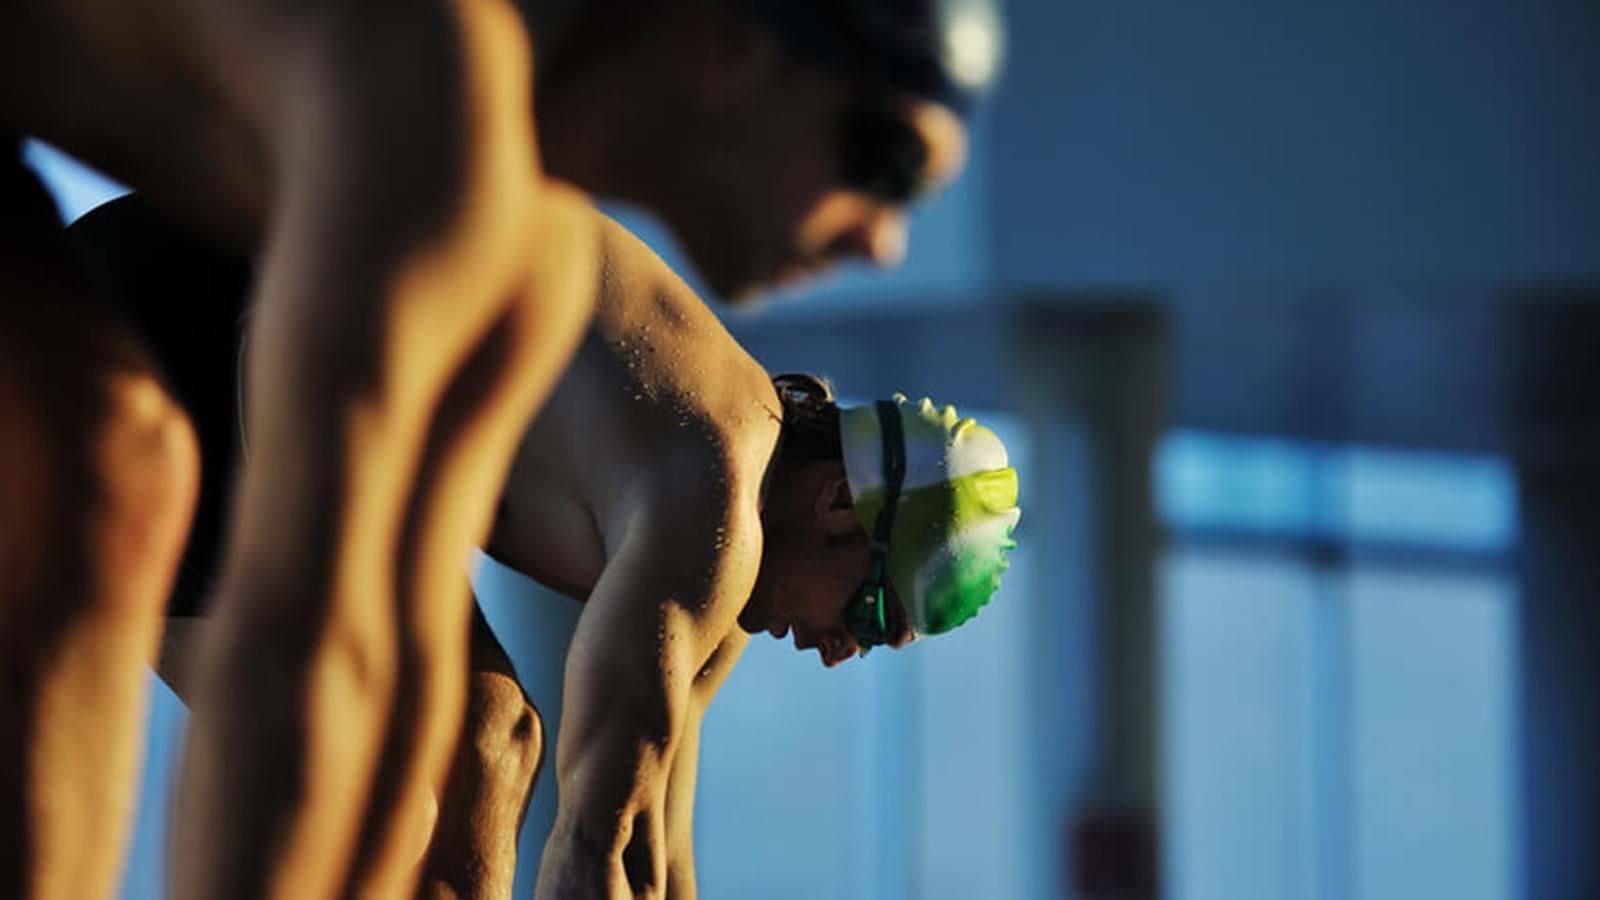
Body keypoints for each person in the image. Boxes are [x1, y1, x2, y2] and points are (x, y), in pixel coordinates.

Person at [0, 0, 1003, 895]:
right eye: (887, 160)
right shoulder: (439, 114)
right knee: (110, 476)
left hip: (194, 267)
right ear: (737, 45)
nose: (886, 242)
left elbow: (647, 851)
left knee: (482, 741)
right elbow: (304, 655)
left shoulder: (539, 268)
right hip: (185, 289)